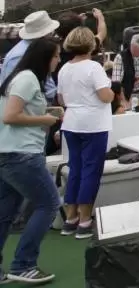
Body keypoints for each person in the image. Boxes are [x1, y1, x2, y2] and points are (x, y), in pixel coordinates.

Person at [0, 37, 63, 284]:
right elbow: (11, 116)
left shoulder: (17, 78)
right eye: (57, 56)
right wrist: (45, 120)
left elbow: (14, 113)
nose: (58, 60)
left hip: (7, 153)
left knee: (5, 212)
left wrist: (45, 113)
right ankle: (24, 263)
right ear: (46, 58)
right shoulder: (27, 79)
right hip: (23, 154)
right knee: (48, 204)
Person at [56, 27, 115, 239]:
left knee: (76, 169)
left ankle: (70, 218)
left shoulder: (64, 69)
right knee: (91, 171)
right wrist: (112, 90)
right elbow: (106, 96)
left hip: (71, 123)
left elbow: (61, 100)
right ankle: (84, 220)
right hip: (94, 125)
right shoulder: (94, 68)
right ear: (91, 45)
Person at [112, 32, 139, 107]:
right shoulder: (120, 57)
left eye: (137, 50)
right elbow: (116, 82)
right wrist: (123, 101)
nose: (133, 52)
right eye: (132, 48)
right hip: (126, 96)